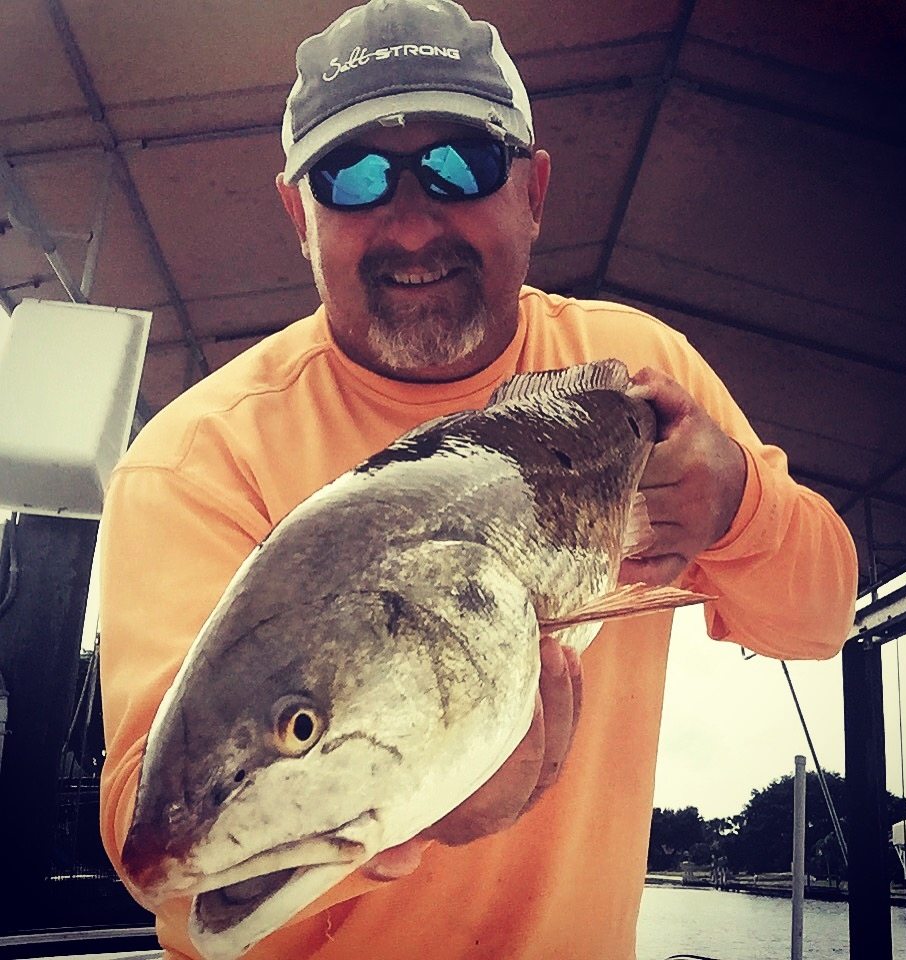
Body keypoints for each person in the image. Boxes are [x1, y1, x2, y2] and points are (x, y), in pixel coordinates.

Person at [97, 1, 858, 958]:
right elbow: (160, 856)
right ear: (299, 213)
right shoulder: (196, 460)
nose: (410, 223)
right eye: (354, 175)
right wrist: (423, 820)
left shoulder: (637, 375)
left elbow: (822, 616)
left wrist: (740, 503)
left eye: (463, 163)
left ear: (534, 189)